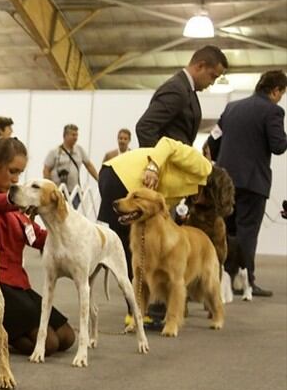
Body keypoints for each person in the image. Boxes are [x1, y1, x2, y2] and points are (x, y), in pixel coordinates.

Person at [0, 137, 75, 356]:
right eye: (13, 171)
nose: (16, 179)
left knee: (67, 337)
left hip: (15, 284)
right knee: (49, 344)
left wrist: (72, 236)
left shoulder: (11, 202)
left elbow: (37, 237)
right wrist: (19, 199)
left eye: (20, 173)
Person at [97, 137, 212, 328]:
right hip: (122, 177)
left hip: (115, 177)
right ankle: (138, 314)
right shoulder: (204, 167)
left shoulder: (187, 191)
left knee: (131, 253)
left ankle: (138, 314)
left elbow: (163, 210)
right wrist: (153, 167)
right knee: (132, 254)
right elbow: (168, 143)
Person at [214, 70, 287, 297]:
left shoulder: (231, 108)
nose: (280, 98)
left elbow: (214, 139)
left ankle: (223, 278)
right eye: (282, 93)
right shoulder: (273, 111)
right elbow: (278, 146)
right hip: (253, 182)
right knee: (247, 232)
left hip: (225, 182)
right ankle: (245, 283)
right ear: (275, 90)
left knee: (226, 231)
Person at [136, 45, 228, 148]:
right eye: (212, 76)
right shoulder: (176, 89)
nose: (212, 83)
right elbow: (145, 127)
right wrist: (160, 157)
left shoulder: (186, 89)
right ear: (200, 66)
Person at [42, 124, 98, 208]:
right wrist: (49, 188)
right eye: (73, 135)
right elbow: (46, 169)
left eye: (76, 135)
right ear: (65, 135)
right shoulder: (55, 152)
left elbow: (89, 165)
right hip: (58, 191)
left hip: (74, 191)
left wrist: (98, 179)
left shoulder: (79, 150)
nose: (75, 137)